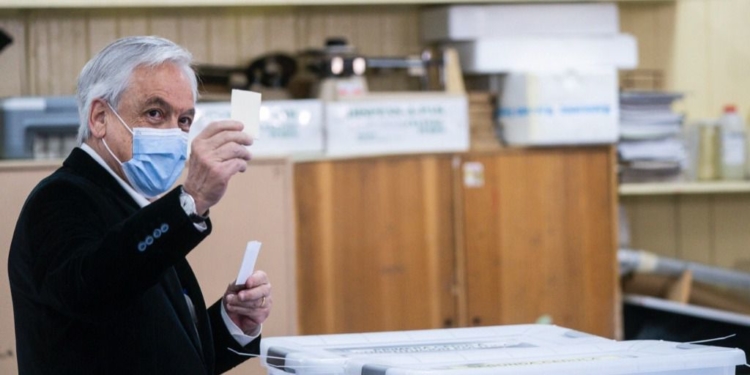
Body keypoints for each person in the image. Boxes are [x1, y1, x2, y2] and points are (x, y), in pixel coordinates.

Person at [7, 36, 272, 374]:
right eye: (155, 113)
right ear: (100, 117)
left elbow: (159, 350)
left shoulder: (139, 206)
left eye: (184, 120)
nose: (174, 134)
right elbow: (93, 290)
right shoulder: (60, 198)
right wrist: (190, 201)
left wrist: (233, 322)